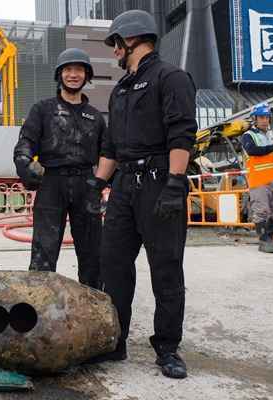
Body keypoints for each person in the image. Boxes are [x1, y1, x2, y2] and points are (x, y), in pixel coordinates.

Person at [90, 10, 197, 379]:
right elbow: (112, 145)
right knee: (113, 264)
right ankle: (114, 341)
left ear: (130, 40)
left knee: (165, 268)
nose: (114, 51)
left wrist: (175, 183)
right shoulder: (121, 89)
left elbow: (182, 133)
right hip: (123, 187)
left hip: (159, 182)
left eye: (115, 44)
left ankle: (167, 347)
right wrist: (98, 184)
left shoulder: (172, 78)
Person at [13, 48, 106, 288]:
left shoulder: (95, 117)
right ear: (59, 75)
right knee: (44, 249)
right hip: (51, 184)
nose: (73, 75)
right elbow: (25, 143)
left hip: (87, 185)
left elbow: (108, 154)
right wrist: (25, 164)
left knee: (92, 252)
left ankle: (92, 302)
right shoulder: (42, 110)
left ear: (87, 76)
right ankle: (36, 308)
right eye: (68, 70)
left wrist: (103, 184)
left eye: (79, 70)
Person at [241, 102, 273, 253]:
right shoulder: (248, 136)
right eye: (261, 117)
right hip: (258, 178)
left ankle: (267, 237)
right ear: (255, 119)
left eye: (267, 117)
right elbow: (253, 150)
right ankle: (264, 241)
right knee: (261, 211)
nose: (265, 120)